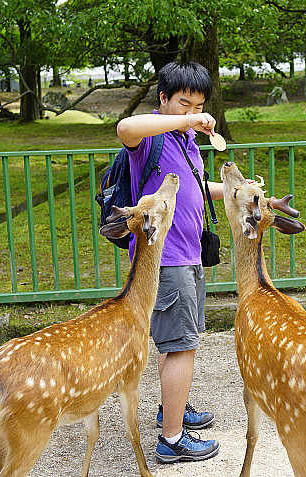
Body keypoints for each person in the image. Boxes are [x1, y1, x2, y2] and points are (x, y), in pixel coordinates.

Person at [116, 60, 222, 464]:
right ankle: (172, 440)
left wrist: (237, 189)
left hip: (189, 255)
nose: (193, 113)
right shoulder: (151, 138)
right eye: (184, 103)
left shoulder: (187, 141)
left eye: (199, 106)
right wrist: (180, 122)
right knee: (181, 347)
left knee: (176, 343)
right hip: (166, 259)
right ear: (163, 99)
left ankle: (171, 410)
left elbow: (197, 186)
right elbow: (124, 128)